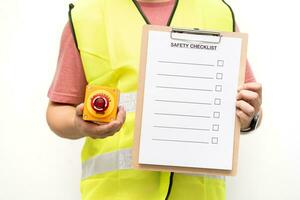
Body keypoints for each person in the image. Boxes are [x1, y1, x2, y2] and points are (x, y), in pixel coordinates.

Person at [46, 0, 262, 199]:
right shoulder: (88, 17)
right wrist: (78, 124)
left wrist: (250, 117)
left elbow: (249, 107)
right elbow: (58, 110)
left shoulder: (217, 13)